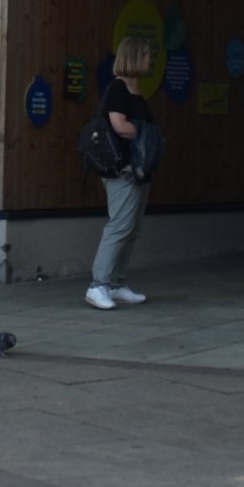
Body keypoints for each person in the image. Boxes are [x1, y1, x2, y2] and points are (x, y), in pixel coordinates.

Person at [86, 35, 159, 310]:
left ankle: (117, 283)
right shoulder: (118, 88)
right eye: (147, 54)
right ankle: (98, 285)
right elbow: (118, 125)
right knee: (119, 226)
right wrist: (145, 133)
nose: (150, 59)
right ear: (135, 57)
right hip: (123, 170)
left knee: (132, 227)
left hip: (138, 169)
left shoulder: (134, 88)